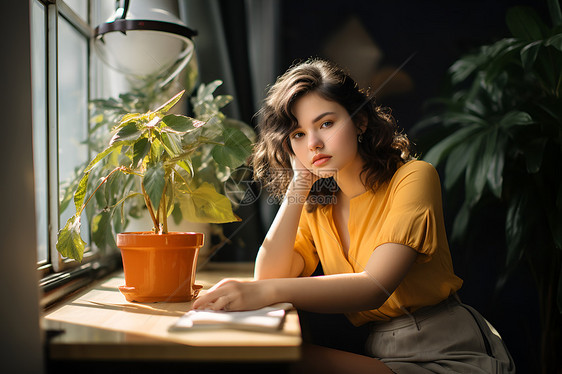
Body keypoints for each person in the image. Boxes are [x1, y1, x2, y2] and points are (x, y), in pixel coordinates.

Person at [193, 58, 515, 373]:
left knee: (280, 359)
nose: (314, 143)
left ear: (360, 121)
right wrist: (300, 183)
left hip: (448, 350)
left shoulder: (414, 177)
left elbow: (375, 286)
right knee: (269, 356)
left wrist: (262, 292)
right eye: (298, 134)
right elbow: (269, 276)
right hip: (384, 353)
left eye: (326, 124)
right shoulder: (319, 205)